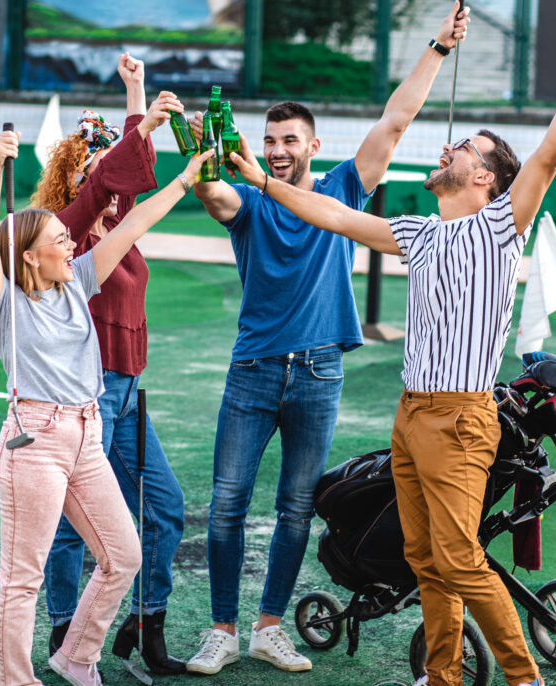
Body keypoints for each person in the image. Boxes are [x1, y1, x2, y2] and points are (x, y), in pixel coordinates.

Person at [226, 29, 556, 686]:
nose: (448, 148)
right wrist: (263, 180)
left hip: (461, 421)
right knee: (426, 559)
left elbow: (548, 156)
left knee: (460, 559)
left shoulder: (499, 229)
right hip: (411, 417)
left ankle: (526, 679)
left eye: (464, 148)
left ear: (485, 177)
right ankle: (442, 677)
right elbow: (334, 216)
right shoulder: (418, 234)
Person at [182, 1, 471, 676]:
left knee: (293, 510)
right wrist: (197, 149)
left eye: (290, 141)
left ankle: (269, 628)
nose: (279, 151)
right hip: (252, 371)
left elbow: (395, 121)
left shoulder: (343, 187)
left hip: (318, 373)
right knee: (226, 505)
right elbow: (210, 193)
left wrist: (438, 45)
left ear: (312, 146)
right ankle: (222, 627)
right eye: (270, 141)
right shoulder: (246, 200)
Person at [0, 128, 210, 686]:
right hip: (35, 439)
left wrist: (184, 178)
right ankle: (17, 679)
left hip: (86, 432)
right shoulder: (2, 303)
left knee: (122, 555)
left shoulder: (79, 279)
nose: (70, 242)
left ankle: (75, 655)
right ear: (29, 256)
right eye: (59, 238)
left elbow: (133, 225)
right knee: (22, 577)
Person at [31, 53, 189, 675]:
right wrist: (140, 125)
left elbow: (137, 173)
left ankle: (145, 625)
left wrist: (136, 91)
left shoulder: (118, 224)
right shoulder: (66, 236)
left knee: (165, 509)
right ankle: (66, 632)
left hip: (126, 392)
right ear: (80, 179)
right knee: (74, 529)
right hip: (89, 395)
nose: (114, 176)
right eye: (99, 168)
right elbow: (115, 173)